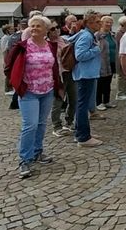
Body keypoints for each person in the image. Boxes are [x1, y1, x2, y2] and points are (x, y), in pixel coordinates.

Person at [4, 15, 63, 178]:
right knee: (29, 125)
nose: (35, 28)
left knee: (42, 123)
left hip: (47, 90)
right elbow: (8, 66)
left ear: (45, 29)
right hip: (29, 91)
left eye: (38, 26)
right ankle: (25, 160)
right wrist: (15, 83)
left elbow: (54, 67)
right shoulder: (22, 46)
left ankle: (38, 152)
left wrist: (57, 85)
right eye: (32, 26)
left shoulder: (51, 45)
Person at [69, 11, 104, 146]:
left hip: (87, 74)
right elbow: (80, 55)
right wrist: (96, 49)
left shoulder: (89, 35)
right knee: (82, 106)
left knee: (82, 104)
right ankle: (83, 137)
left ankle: (81, 132)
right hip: (85, 75)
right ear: (89, 23)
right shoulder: (86, 36)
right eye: (97, 22)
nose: (100, 24)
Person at [48, 21, 76, 138]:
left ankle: (69, 122)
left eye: (57, 27)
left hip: (69, 72)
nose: (56, 30)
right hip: (57, 75)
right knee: (58, 100)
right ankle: (57, 126)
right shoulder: (47, 44)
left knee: (74, 98)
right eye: (52, 29)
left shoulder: (64, 40)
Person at [95, 16, 117, 111]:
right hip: (101, 62)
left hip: (111, 62)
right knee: (100, 83)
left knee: (108, 83)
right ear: (101, 23)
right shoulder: (97, 35)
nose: (108, 24)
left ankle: (106, 101)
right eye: (106, 22)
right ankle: (98, 102)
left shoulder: (112, 35)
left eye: (110, 22)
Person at [115, 15, 126, 101]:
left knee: (125, 75)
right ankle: (120, 93)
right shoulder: (119, 33)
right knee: (121, 76)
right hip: (121, 56)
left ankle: (125, 91)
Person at [0, 23, 15, 95]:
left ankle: (10, 87)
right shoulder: (6, 38)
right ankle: (8, 88)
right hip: (6, 56)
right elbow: (4, 49)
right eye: (11, 29)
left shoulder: (8, 37)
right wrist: (5, 59)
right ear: (7, 30)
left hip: (8, 56)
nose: (13, 30)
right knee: (8, 72)